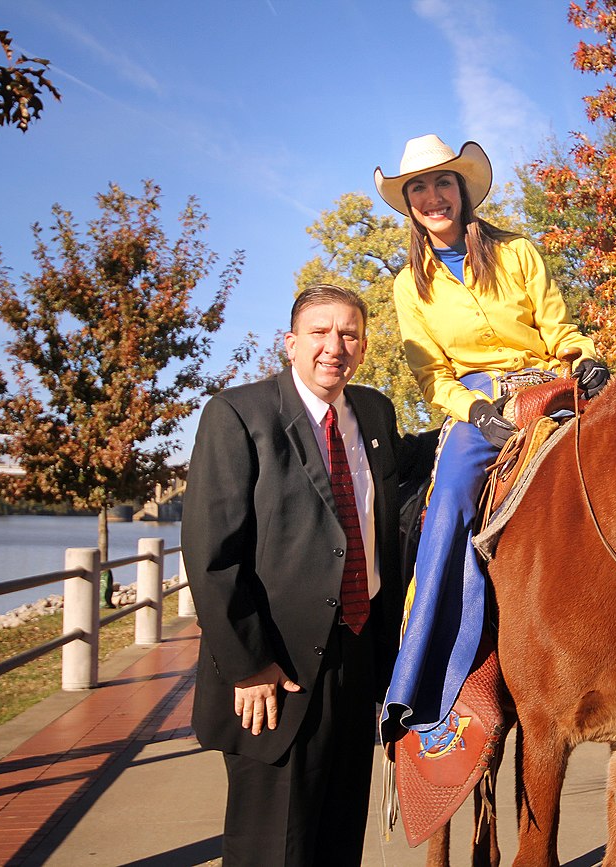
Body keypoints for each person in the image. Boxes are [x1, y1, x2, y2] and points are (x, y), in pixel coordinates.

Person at [372, 134, 611, 743]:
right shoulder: (410, 285)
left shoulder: (519, 252)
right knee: (448, 502)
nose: (432, 196)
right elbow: (431, 374)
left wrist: (585, 358)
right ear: (408, 202)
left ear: (462, 190)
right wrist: (476, 412)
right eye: (418, 188)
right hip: (479, 403)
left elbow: (561, 329)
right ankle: (419, 680)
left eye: (442, 183)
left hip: (549, 384)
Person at [183, 284, 417, 866]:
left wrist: (497, 415)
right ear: (290, 343)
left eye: (349, 334)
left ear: (362, 347)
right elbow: (212, 555)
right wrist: (248, 665)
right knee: (275, 849)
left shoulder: (374, 412)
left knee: (338, 840)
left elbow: (414, 464)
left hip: (361, 656)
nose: (334, 346)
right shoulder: (237, 414)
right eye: (320, 332)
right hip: (275, 672)